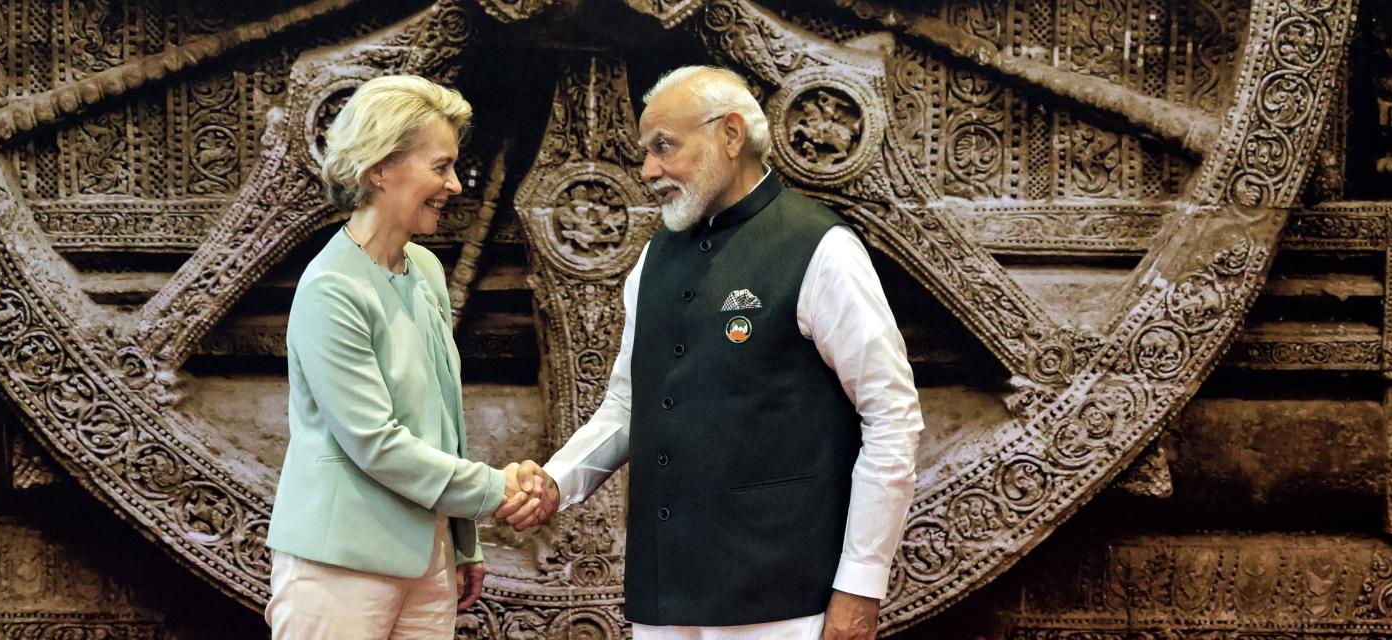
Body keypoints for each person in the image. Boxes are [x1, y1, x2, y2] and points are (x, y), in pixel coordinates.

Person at [507, 65, 926, 639]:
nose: (648, 170)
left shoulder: (820, 247)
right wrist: (557, 482)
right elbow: (629, 408)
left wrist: (861, 584)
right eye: (646, 152)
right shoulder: (652, 259)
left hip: (782, 597)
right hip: (664, 595)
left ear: (730, 135)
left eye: (663, 147)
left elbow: (892, 417)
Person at [265, 74, 548, 639]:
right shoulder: (331, 288)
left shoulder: (425, 270)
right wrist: (497, 491)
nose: (455, 186)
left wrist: (462, 541)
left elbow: (443, 421)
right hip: (339, 567)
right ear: (379, 171)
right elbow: (376, 441)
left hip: (428, 559)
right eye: (439, 167)